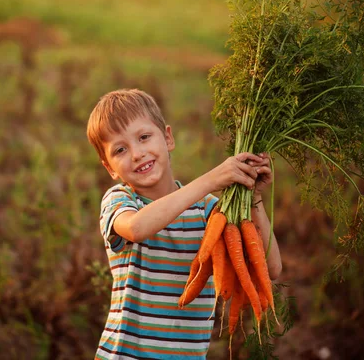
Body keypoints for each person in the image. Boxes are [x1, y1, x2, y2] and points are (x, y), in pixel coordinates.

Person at [86, 88, 282, 360]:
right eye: (121, 149)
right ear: (110, 168)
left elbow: (271, 267)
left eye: (144, 137)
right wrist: (212, 179)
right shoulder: (120, 201)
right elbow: (137, 229)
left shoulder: (208, 211)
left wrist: (255, 197)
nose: (137, 153)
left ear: (168, 138)